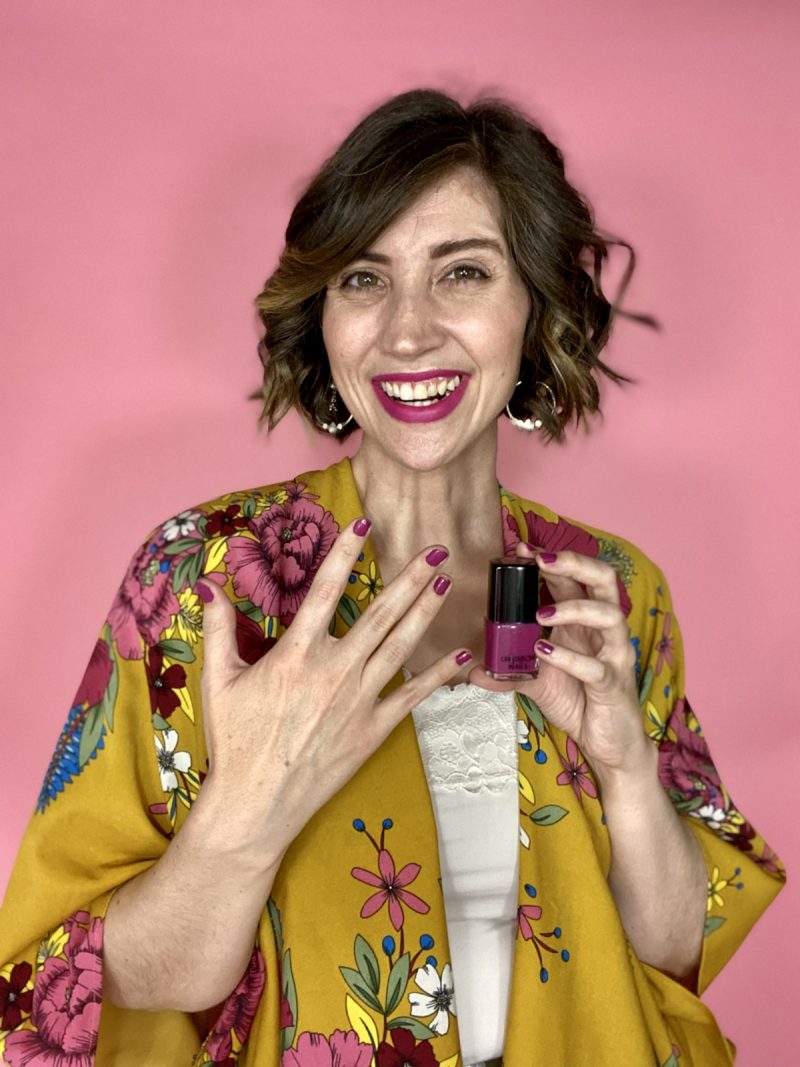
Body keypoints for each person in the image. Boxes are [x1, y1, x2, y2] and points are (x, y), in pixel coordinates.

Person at [0, 89, 784, 1067]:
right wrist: (248, 817)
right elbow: (99, 979)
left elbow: (670, 951)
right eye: (364, 279)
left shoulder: (611, 589)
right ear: (322, 318)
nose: (407, 331)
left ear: (533, 307)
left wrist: (626, 772)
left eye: (461, 271)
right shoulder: (206, 576)